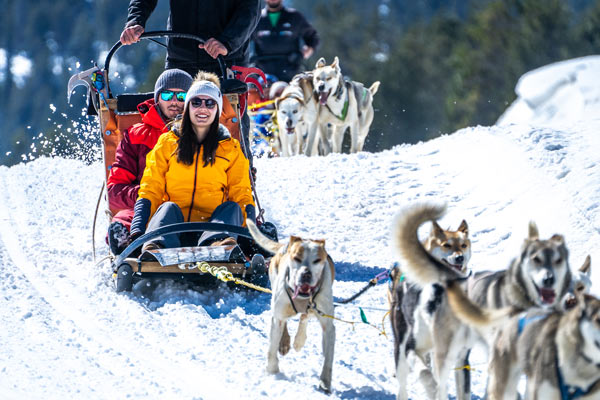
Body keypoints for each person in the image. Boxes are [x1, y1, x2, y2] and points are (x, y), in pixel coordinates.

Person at [128, 72, 256, 252]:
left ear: (217, 110)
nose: (203, 108)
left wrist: (250, 235)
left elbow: (241, 193)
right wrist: (138, 229)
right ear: (187, 107)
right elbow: (151, 187)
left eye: (210, 103)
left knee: (232, 207)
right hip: (172, 229)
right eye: (196, 102)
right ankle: (156, 246)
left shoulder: (230, 149)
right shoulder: (168, 143)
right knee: (167, 207)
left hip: (213, 228)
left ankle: (218, 245)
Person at [107, 68, 193, 255]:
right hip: (147, 209)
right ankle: (129, 247)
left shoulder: (205, 132)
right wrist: (148, 195)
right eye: (168, 94)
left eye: (182, 96)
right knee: (124, 219)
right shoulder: (136, 136)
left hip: (194, 206)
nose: (174, 101)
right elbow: (114, 191)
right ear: (157, 98)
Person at [120, 0, 261, 76]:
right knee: (171, 120)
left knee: (230, 121)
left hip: (226, 61)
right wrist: (135, 21)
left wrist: (227, 42)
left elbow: (250, 10)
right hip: (180, 59)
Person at [251, 0, 319, 82]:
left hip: (290, 74)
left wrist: (306, 52)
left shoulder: (294, 17)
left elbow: (313, 37)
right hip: (262, 75)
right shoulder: (256, 18)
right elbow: (243, 39)